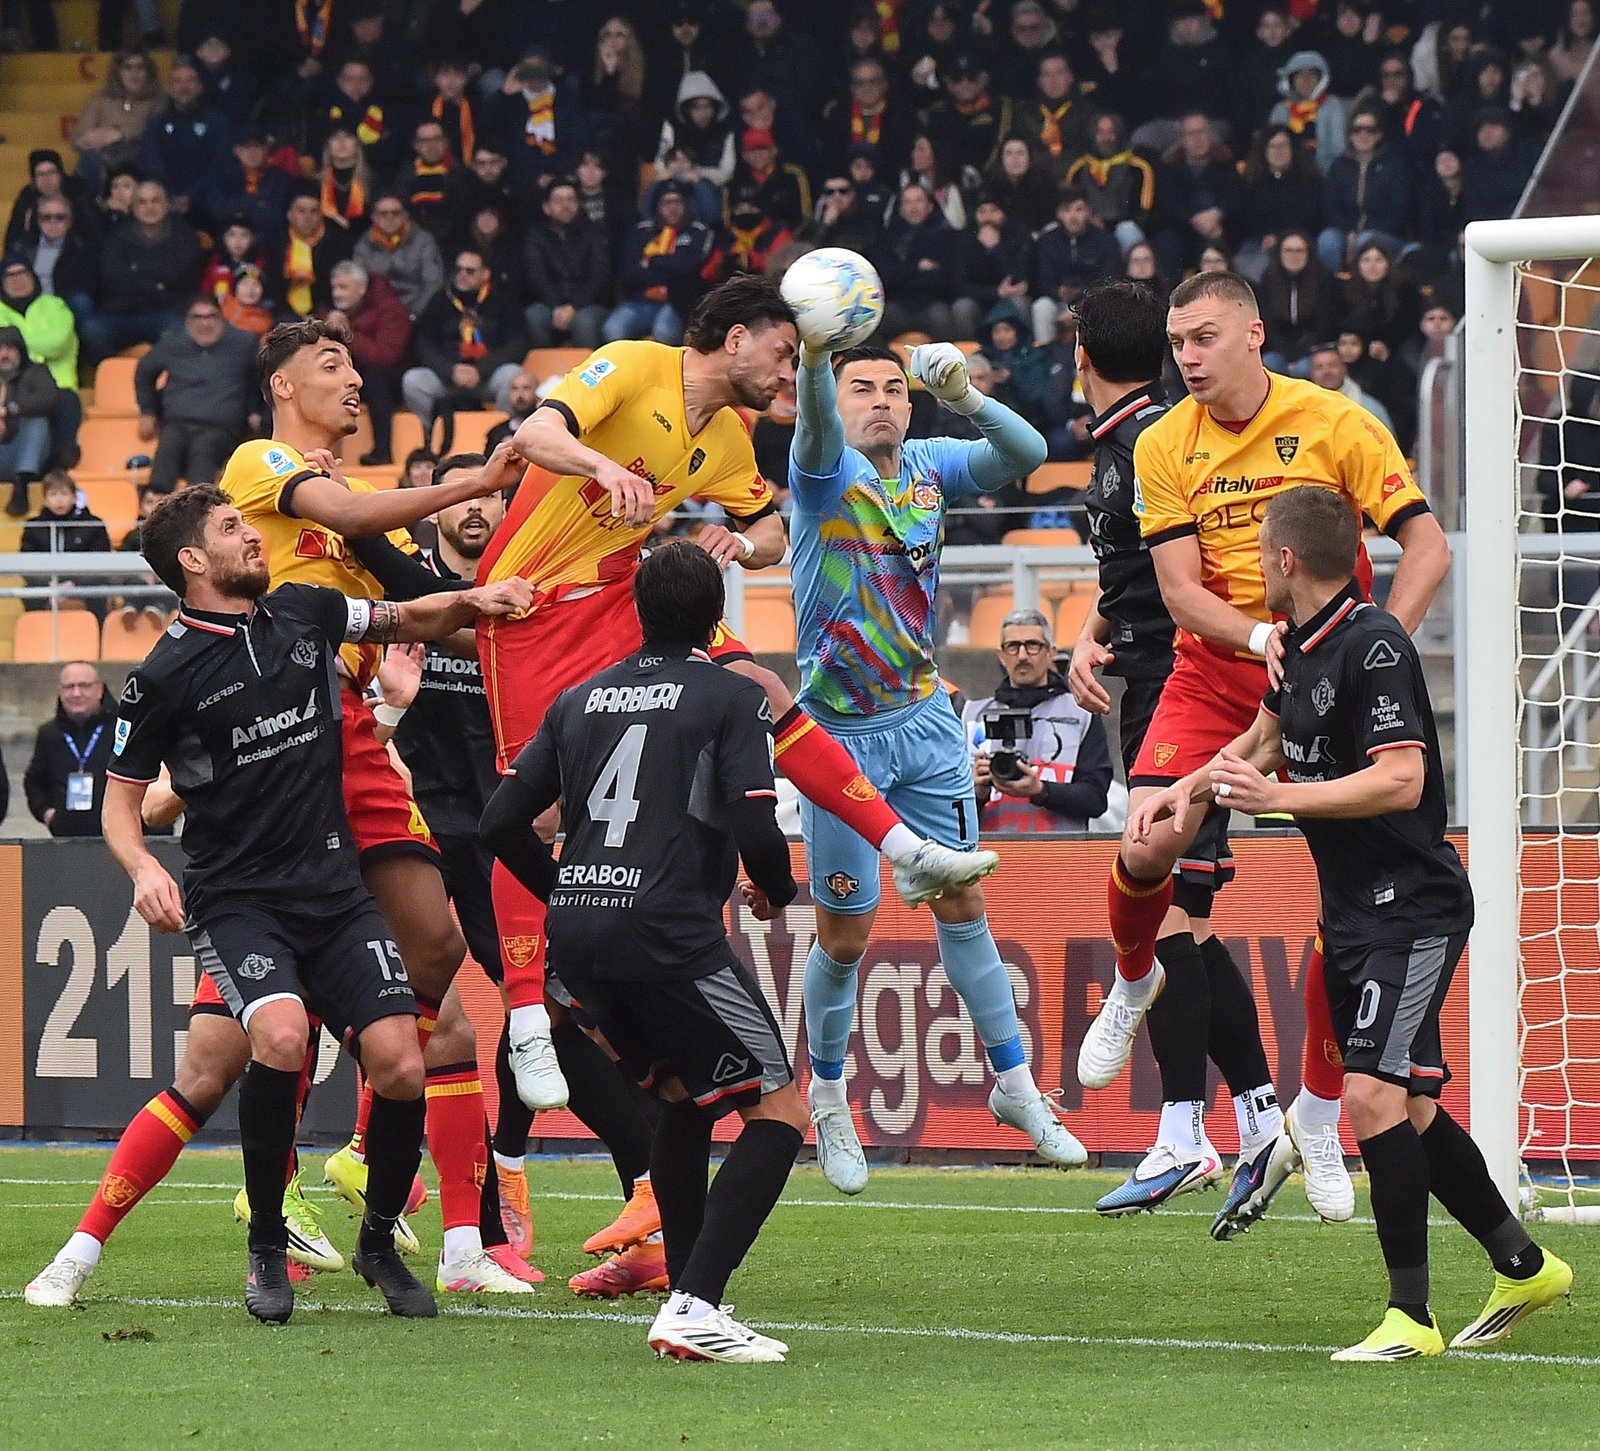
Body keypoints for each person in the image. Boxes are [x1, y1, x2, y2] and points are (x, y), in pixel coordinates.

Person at [477, 275, 996, 1118]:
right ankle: (528, 1014)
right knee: (536, 817)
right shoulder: (633, 365)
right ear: (734, 339)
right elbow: (535, 430)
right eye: (785, 354)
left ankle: (905, 847)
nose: (791, 373)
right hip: (531, 601)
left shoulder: (727, 434)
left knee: (760, 687)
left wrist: (742, 545)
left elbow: (770, 526)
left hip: (625, 588)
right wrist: (604, 467)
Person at [41, 485, 526, 1321]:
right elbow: (124, 804)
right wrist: (142, 868)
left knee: (403, 1061)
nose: (253, 536)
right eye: (232, 528)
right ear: (193, 560)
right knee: (279, 1034)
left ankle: (378, 1241)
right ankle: (267, 1240)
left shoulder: (305, 611)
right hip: (240, 900)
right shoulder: (161, 677)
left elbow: (406, 618)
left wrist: (477, 599)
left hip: (333, 892)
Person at [1131, 486, 1574, 1361]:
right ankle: (1523, 1264)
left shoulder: (1375, 644)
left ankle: (1411, 1317)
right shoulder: (1292, 645)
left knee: (1369, 1097)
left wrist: (1279, 799)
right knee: (1410, 1107)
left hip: (1413, 907)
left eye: (1260, 551)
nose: (1255, 564)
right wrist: (1183, 789)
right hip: (1352, 913)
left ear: (1286, 559)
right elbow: (1260, 742)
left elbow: (1403, 778)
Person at [1075, 270, 1453, 1228]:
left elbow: (1428, 548)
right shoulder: (1163, 442)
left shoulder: (1336, 422)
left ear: (1254, 334)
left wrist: (1365, 657)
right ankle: (1133, 979)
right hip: (1213, 675)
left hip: (1329, 680)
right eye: (1177, 342)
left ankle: (1316, 1114)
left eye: (1204, 337)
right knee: (1146, 839)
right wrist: (1259, 640)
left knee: (1354, 903)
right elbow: (1179, 590)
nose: (1187, 357)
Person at [217, 318, 543, 1295]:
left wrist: (522, 614)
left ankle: (387, 1174)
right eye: (332, 364)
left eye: (358, 365)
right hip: (274, 733)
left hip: (354, 733)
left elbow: (426, 603)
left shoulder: (364, 516)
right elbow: (351, 515)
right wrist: (473, 482)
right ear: (281, 384)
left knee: (436, 965)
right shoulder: (264, 464)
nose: (355, 379)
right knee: (241, 1040)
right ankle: (277, 1201)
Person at [483, 542, 807, 1363]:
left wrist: (567, 890)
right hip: (669, 935)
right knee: (779, 1112)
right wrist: (778, 889)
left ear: (637, 611)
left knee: (682, 1099)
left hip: (579, 938)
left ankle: (692, 1297)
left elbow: (498, 823)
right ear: (716, 615)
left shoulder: (578, 698)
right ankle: (696, 1302)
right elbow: (757, 822)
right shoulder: (733, 695)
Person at [788, 336, 1087, 1194]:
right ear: (834, 400)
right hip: (838, 736)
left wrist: (968, 398)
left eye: (893, 387)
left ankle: (1016, 1085)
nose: (880, 400)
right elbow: (812, 425)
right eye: (860, 388)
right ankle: (830, 1098)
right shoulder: (822, 473)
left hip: (923, 723)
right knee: (846, 935)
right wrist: (814, 354)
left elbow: (1027, 453)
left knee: (964, 901)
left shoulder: (928, 465)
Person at [1065, 279, 1303, 1227]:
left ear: (1080, 356)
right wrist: (1095, 629)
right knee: (1189, 921)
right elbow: (1138, 572)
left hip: (1188, 688)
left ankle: (1184, 1130)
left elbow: (1191, 576)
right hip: (1159, 673)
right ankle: (1256, 1120)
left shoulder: (1156, 440)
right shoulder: (1133, 439)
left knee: (1165, 908)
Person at [963, 609, 1112, 832]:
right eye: (1013, 646)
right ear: (1001, 655)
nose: (1022, 655)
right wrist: (976, 793)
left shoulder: (1082, 712)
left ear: (1051, 652)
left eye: (1032, 645)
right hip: (991, 850)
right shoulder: (971, 716)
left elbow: (1096, 798)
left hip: (1060, 851)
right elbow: (947, 811)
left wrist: (1041, 790)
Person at [133, 297, 260, 492]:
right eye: (198, 317)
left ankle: (197, 506)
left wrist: (255, 411)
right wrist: (148, 411)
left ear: (222, 319)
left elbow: (259, 380)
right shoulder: (172, 342)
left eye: (211, 317)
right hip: (177, 424)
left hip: (220, 428)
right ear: (187, 321)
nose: (205, 324)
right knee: (167, 452)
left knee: (203, 454)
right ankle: (154, 505)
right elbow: (144, 372)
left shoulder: (244, 343)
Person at [401, 248, 527, 436]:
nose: (462, 275)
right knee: (413, 380)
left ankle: (502, 436)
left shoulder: (502, 300)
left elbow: (518, 343)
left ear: (485, 274)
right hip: (448, 377)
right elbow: (424, 343)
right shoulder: (441, 299)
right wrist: (449, 371)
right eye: (458, 270)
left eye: (470, 271)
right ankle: (429, 438)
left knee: (512, 375)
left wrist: (481, 370)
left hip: (486, 377)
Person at [80, 181, 202, 364]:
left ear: (167, 204)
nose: (149, 207)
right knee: (91, 330)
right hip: (122, 312)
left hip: (166, 311)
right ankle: (115, 372)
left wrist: (135, 270)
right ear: (133, 207)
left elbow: (180, 276)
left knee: (181, 331)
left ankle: (158, 376)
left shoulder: (185, 236)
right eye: (142, 202)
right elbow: (111, 279)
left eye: (155, 201)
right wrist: (157, 283)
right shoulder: (116, 236)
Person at [324, 260, 409, 467]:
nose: (337, 294)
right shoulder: (329, 311)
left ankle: (382, 451)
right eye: (334, 288)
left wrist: (348, 334)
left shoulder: (389, 309)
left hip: (390, 379)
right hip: (351, 374)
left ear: (361, 288)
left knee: (375, 377)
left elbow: (385, 356)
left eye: (343, 288)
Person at [24, 661, 117, 837]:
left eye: (84, 686)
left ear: (100, 690)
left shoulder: (122, 730)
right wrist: (47, 814)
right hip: (66, 840)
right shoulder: (49, 735)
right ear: (60, 692)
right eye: (69, 687)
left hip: (118, 836)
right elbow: (34, 781)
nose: (76, 693)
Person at [521, 178, 611, 352]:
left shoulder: (594, 232)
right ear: (546, 207)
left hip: (589, 304)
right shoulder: (535, 235)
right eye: (558, 200)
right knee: (533, 316)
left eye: (571, 199)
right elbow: (536, 276)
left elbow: (599, 276)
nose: (565, 205)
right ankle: (544, 368)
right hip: (550, 304)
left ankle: (588, 369)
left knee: (584, 322)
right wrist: (556, 305)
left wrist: (574, 306)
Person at [353, 194, 445, 322]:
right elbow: (356, 284)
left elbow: (433, 284)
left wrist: (414, 314)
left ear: (405, 215)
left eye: (395, 213)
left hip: (417, 315)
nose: (390, 218)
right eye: (383, 214)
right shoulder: (363, 244)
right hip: (377, 315)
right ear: (373, 217)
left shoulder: (424, 242)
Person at [0, 325, 58, 513]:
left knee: (37, 422)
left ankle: (21, 487)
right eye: (0, 349)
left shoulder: (36, 372)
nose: (4, 354)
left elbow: (49, 399)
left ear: (20, 350)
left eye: (10, 348)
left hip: (24, 452)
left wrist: (12, 408)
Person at [1309, 341, 1397, 435]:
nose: (1326, 372)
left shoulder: (1369, 408)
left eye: (1332, 365)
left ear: (1344, 369)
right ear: (1311, 374)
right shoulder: (1303, 408)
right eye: (1319, 367)